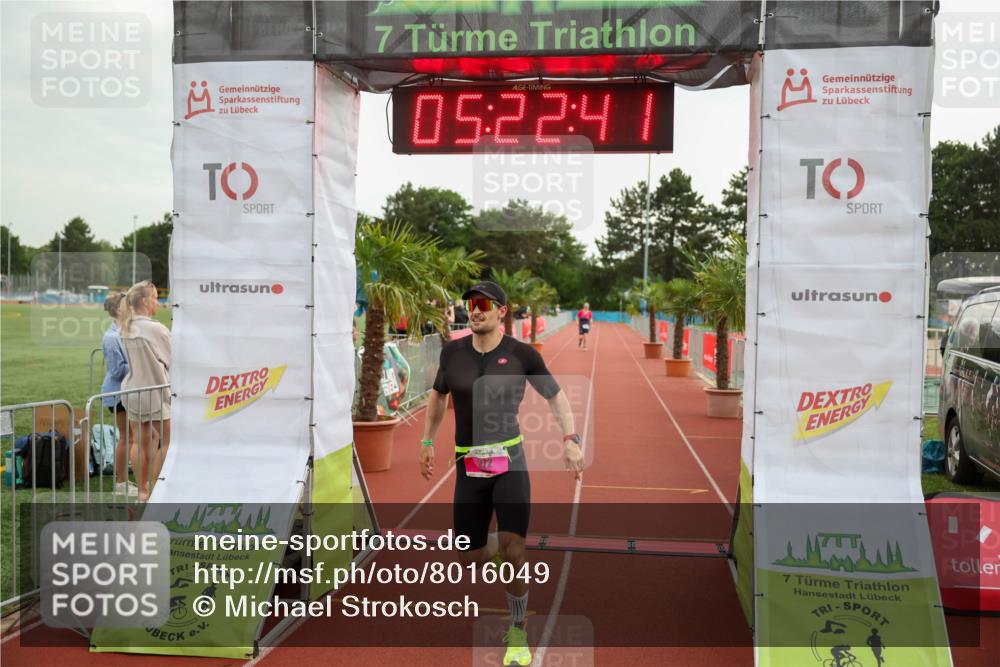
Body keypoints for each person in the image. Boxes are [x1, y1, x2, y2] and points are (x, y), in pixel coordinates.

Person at [420, 280, 585, 666]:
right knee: (470, 554)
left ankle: (518, 629)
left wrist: (570, 439)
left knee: (514, 550)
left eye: (483, 304)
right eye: (470, 305)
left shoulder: (521, 354)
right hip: (468, 465)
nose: (474, 311)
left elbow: (556, 396)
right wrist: (427, 441)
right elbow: (438, 395)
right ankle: (495, 547)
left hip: (509, 462)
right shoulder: (452, 352)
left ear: (501, 311)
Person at [119, 281, 171, 502]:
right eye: (155, 297)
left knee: (139, 440)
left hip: (133, 390)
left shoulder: (126, 326)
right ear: (144, 301)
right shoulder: (156, 329)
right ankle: (156, 488)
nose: (157, 302)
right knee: (169, 442)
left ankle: (143, 491)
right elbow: (172, 359)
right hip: (155, 390)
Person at [100, 291, 138, 497]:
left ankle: (124, 480)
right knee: (127, 437)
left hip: (128, 390)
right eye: (127, 305)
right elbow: (116, 371)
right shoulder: (112, 337)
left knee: (132, 437)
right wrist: (140, 364)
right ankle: (121, 483)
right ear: (118, 310)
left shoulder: (127, 331)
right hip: (117, 393)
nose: (131, 308)